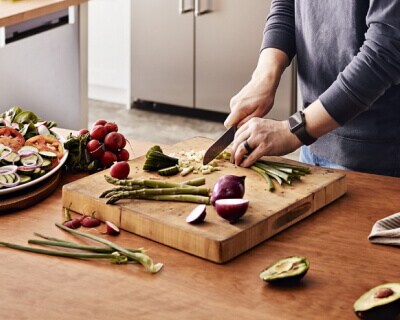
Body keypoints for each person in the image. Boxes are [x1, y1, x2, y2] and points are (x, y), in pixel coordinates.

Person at [225, 1, 400, 177]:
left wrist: (293, 130)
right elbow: (287, 5)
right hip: (311, 140)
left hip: (375, 156)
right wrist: (263, 78)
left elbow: (385, 51)